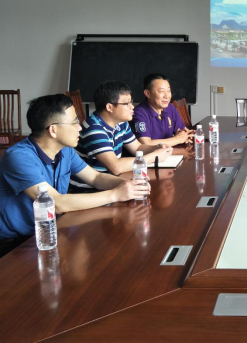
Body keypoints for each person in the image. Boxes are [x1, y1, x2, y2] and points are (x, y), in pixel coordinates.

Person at [0, 94, 149, 248]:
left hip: (52, 230)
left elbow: (95, 177)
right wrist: (115, 194)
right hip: (16, 243)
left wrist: (131, 186)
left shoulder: (65, 150)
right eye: (74, 122)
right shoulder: (19, 157)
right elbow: (56, 203)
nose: (80, 127)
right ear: (53, 130)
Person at [71, 81, 172, 191]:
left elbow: (137, 148)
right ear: (110, 107)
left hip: (111, 182)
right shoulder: (93, 128)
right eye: (126, 104)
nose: (132, 107)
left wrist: (157, 148)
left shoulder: (121, 123)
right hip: (89, 189)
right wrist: (154, 157)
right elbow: (115, 167)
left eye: (131, 102)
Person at [131, 73, 194, 147]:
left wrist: (185, 136)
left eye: (168, 91)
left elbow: (182, 131)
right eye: (161, 91)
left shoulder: (170, 107)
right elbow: (145, 144)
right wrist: (177, 139)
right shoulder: (139, 113)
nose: (166, 96)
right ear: (148, 93)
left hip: (169, 152)